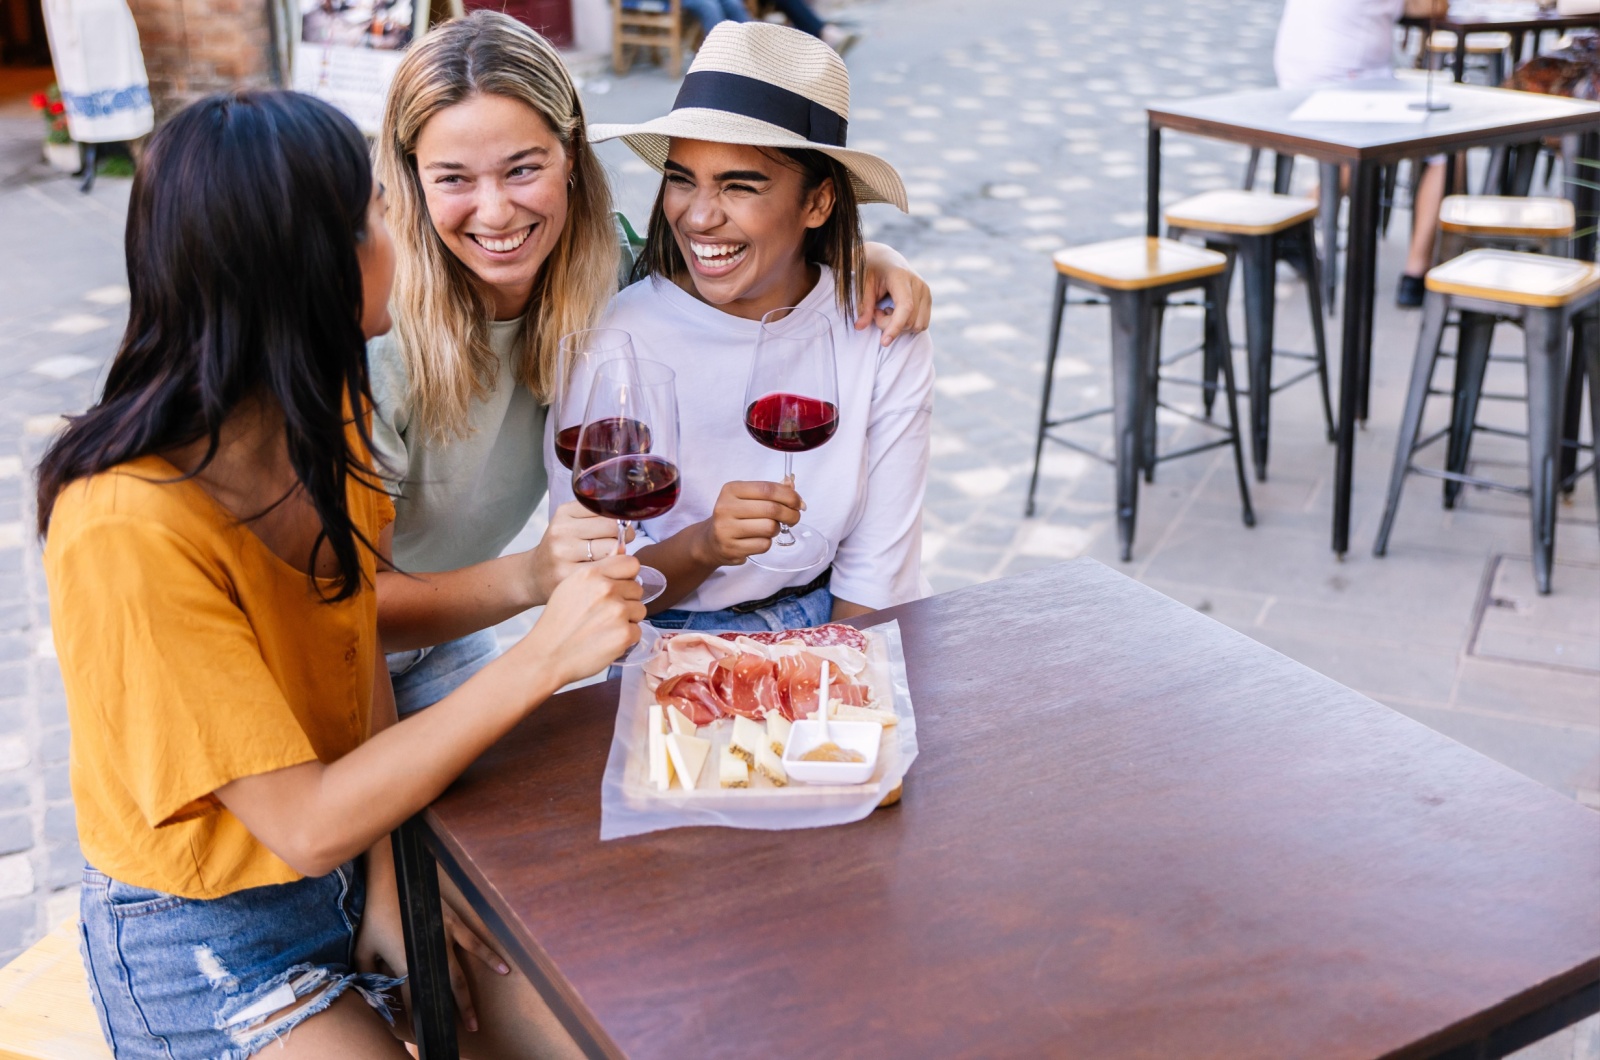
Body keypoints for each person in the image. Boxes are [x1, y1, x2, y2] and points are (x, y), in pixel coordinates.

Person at [38, 89, 643, 1058]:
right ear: (305, 266)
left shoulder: (323, 409)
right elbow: (301, 821)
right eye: (372, 213)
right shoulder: (125, 524)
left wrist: (397, 883)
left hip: (349, 865)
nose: (397, 233)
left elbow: (352, 637)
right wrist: (538, 659)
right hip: (208, 937)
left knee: (575, 1034)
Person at [368, 11, 930, 713]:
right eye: (453, 177)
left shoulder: (595, 277)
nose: (497, 211)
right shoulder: (377, 335)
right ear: (409, 178)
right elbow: (348, 607)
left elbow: (741, 277)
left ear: (571, 159)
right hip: (346, 643)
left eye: (522, 168)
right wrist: (551, 573)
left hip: (454, 634)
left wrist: (869, 258)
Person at [561, 21, 934, 630]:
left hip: (836, 619)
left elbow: (877, 572)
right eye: (681, 179)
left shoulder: (880, 331)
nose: (699, 216)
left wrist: (836, 680)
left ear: (817, 203)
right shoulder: (617, 337)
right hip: (664, 634)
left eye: (739, 185)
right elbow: (589, 590)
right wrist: (705, 545)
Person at [1274, 0, 1449, 306]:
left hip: (1292, 77)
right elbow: (1433, 7)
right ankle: (1416, 272)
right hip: (1347, 86)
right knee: (1444, 146)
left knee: (1358, 156)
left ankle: (1293, 220)